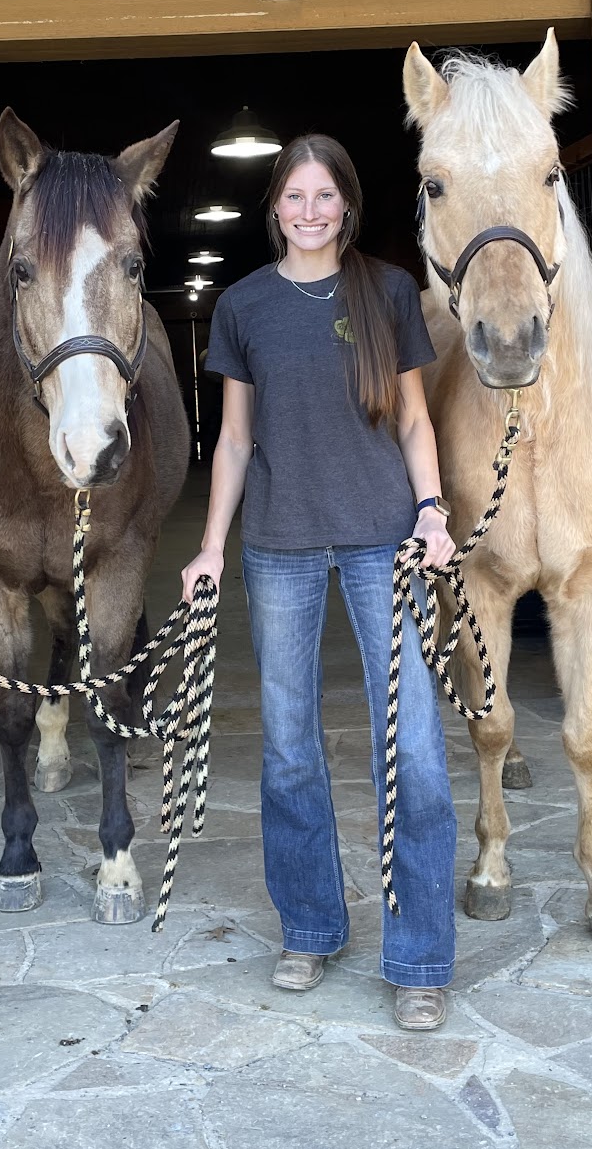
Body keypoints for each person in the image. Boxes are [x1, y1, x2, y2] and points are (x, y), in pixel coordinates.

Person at [181, 134, 457, 1031]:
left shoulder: (389, 292)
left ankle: (419, 959)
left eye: (324, 196)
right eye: (294, 196)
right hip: (280, 544)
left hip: (386, 542)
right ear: (275, 206)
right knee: (291, 747)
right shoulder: (244, 306)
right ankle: (309, 926)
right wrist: (210, 546)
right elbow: (234, 440)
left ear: (347, 204)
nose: (309, 211)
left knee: (413, 748)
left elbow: (414, 421)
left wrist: (432, 510)